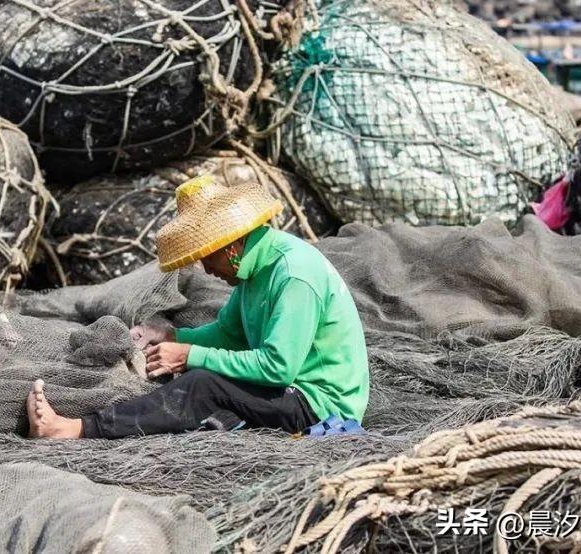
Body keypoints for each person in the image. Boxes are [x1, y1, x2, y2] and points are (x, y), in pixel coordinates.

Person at [27, 174, 368, 439]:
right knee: (195, 373)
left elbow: (279, 367)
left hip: (320, 405)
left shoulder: (294, 275)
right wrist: (171, 335)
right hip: (289, 390)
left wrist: (190, 356)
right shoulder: (255, 270)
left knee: (203, 384)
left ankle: (74, 430)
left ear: (230, 246)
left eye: (207, 258)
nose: (206, 270)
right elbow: (228, 334)